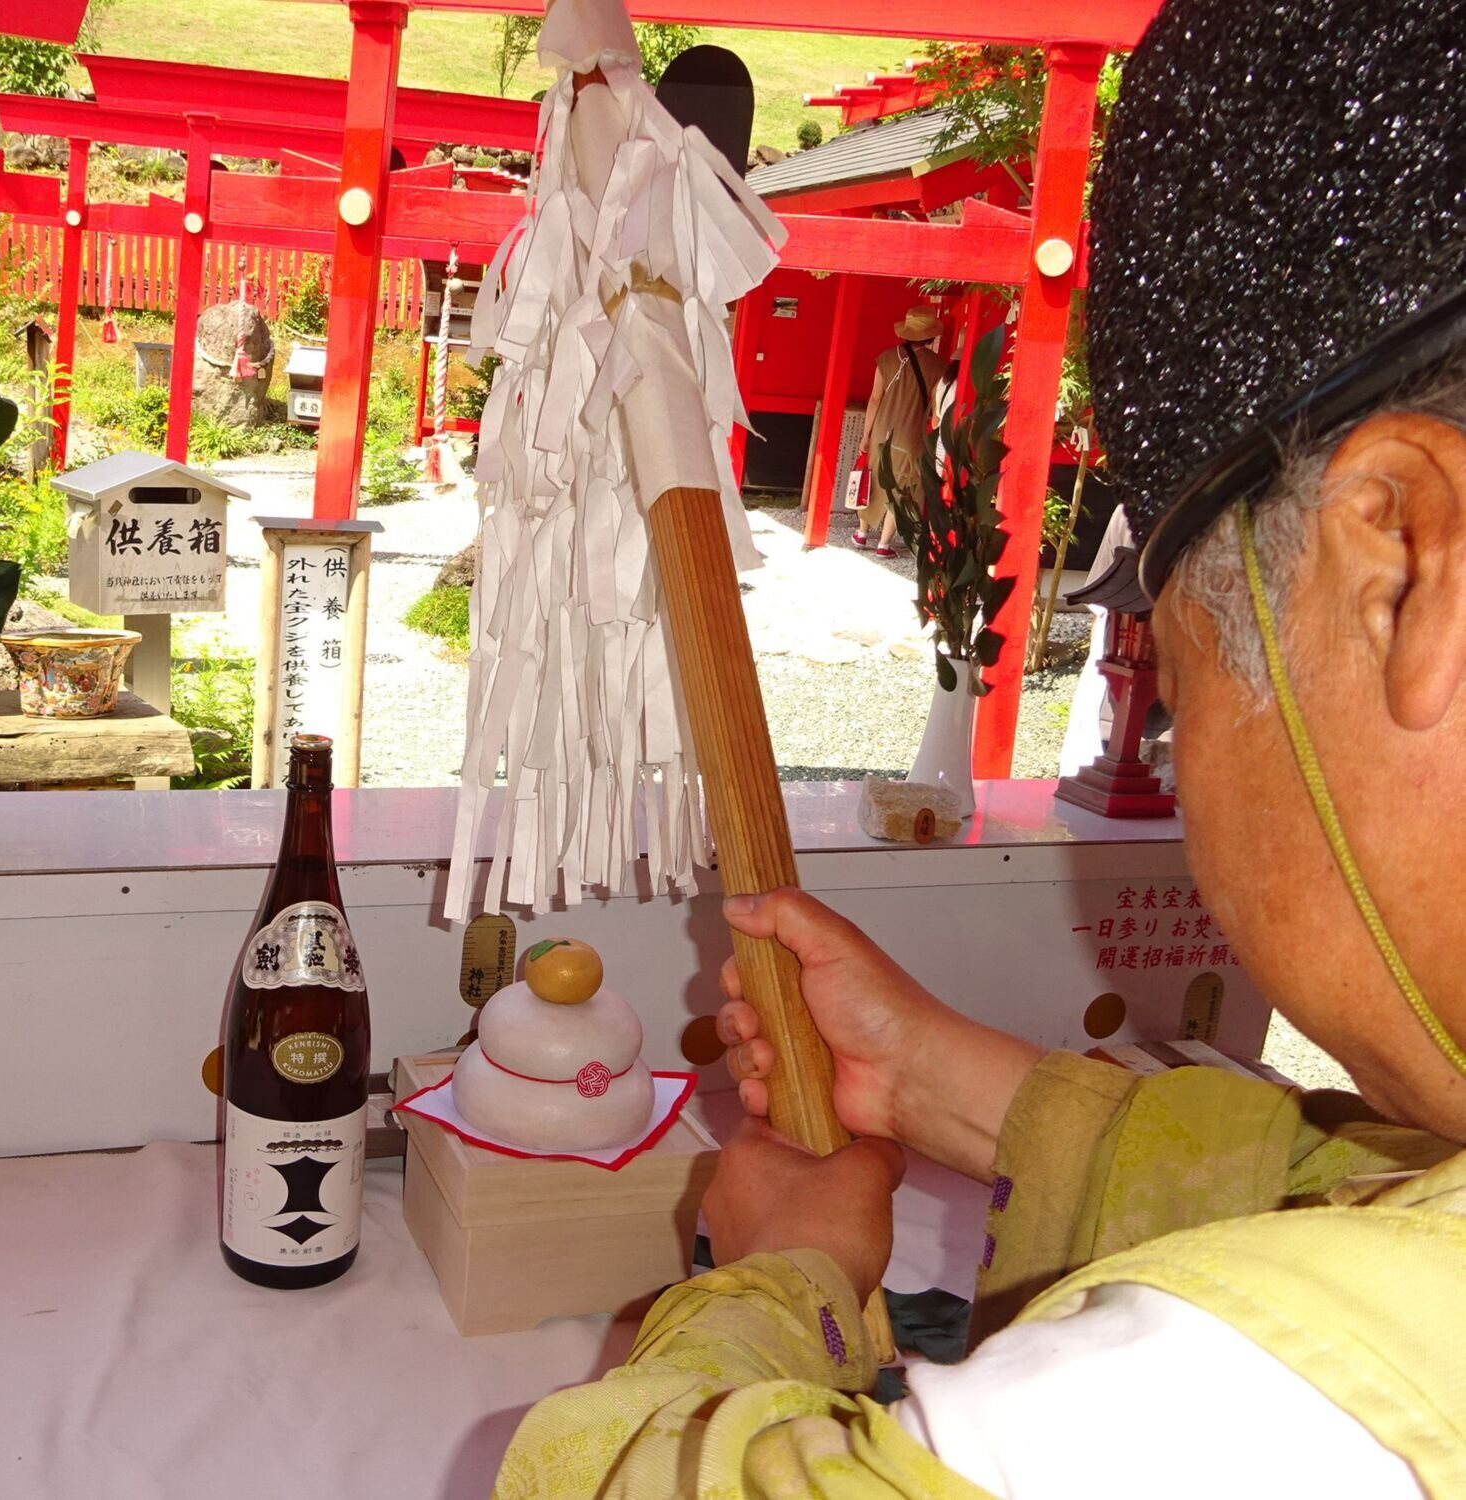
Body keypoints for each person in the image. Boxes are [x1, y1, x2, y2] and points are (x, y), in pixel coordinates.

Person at [492, 2, 1466, 1494]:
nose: (1183, 748)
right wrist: (960, 1084)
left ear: (1397, 569)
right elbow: (1362, 1191)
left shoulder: (1250, 1405)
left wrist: (770, 1284)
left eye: (1185, 679)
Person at [851, 306, 947, 558]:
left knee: (873, 479)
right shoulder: (938, 366)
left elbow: (874, 399)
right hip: (911, 435)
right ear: (931, 336)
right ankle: (884, 544)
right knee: (902, 485)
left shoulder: (885, 358)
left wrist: (866, 434)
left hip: (882, 430)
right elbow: (936, 410)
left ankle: (862, 533)